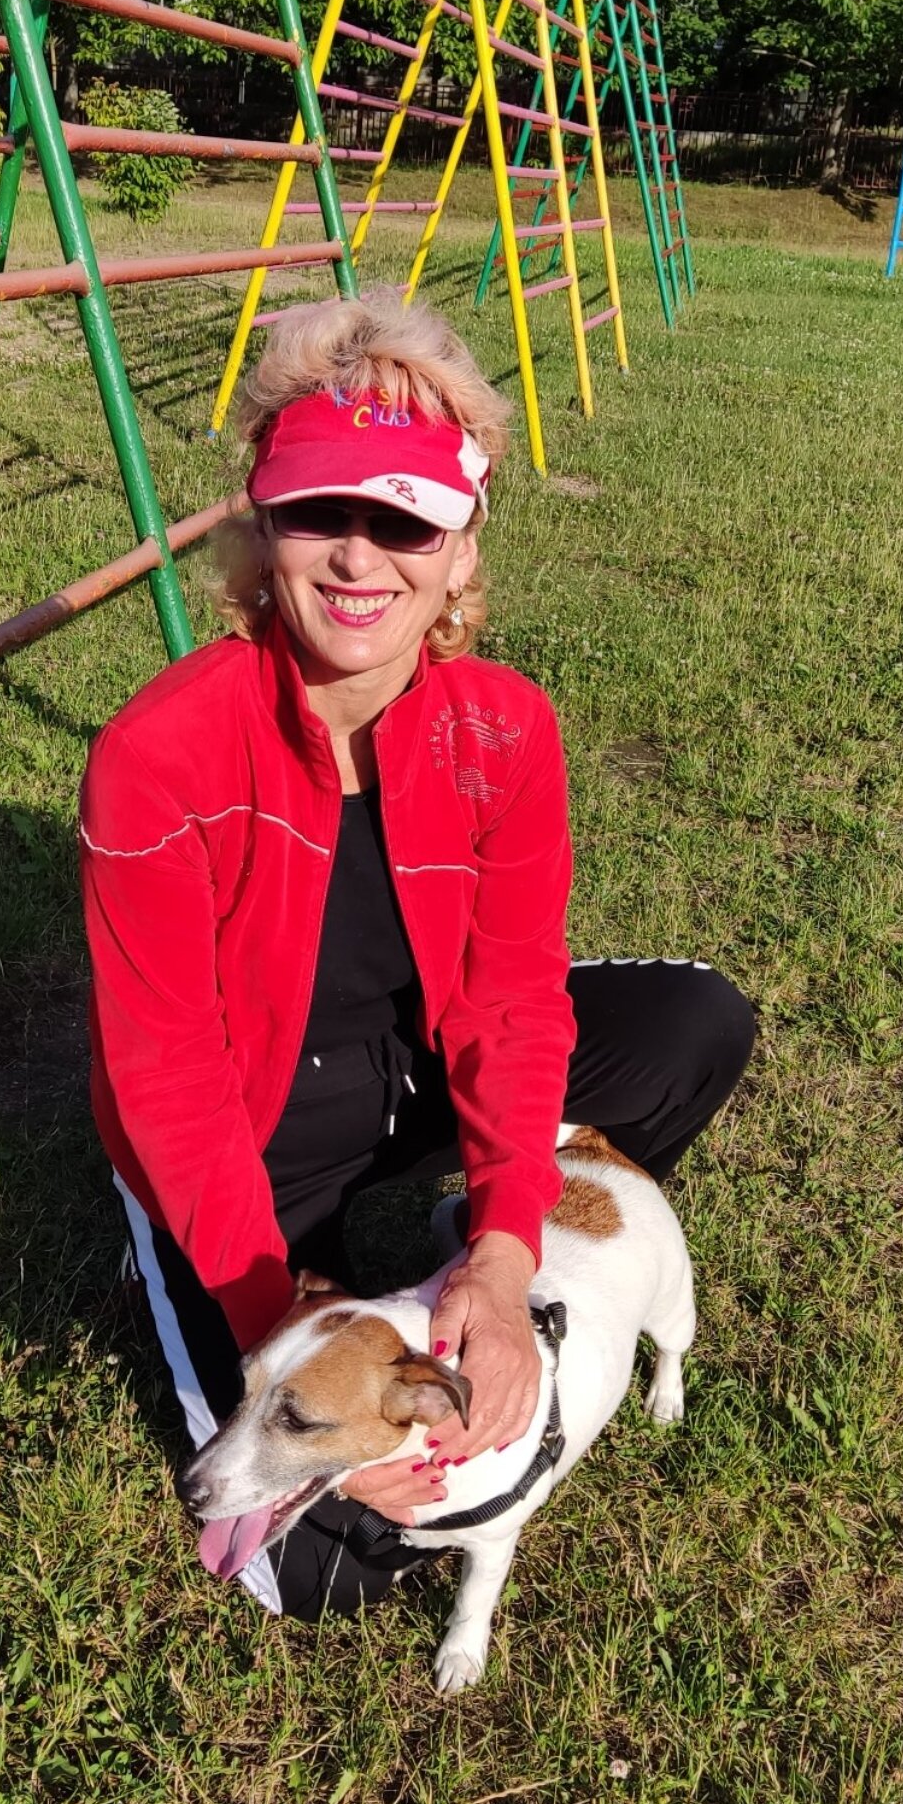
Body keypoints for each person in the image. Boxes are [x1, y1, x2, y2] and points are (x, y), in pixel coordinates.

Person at [80, 290, 753, 1622]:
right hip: (248, 1128)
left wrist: (501, 1260)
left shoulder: (504, 729)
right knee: (321, 1563)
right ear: (260, 527)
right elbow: (166, 1079)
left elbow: (512, 1001)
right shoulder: (156, 754)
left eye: (404, 521)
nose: (357, 557)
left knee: (693, 1027)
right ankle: (283, 1284)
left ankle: (516, 1267)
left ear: (460, 547)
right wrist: (282, 1327)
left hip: (414, 1073)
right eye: (317, 512)